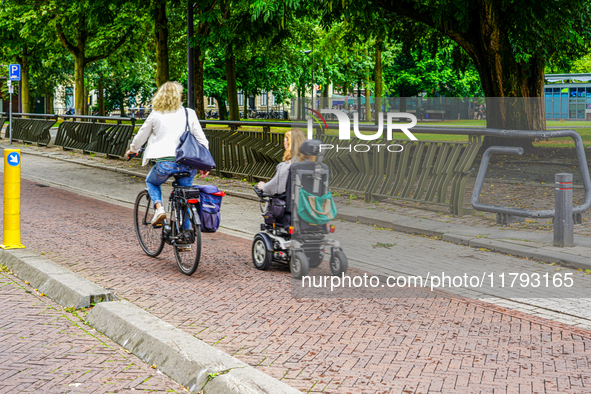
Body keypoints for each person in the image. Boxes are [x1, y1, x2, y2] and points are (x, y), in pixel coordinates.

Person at [126, 81, 209, 226]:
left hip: (165, 163)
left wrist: (133, 150)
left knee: (151, 181)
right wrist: (205, 164)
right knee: (186, 196)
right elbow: (202, 140)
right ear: (179, 96)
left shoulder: (156, 114)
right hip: (188, 164)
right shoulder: (189, 113)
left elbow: (141, 136)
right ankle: (186, 239)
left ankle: (159, 209)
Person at [256, 129, 309, 195]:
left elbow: (276, 187)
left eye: (285, 140)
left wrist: (263, 186)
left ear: (288, 143)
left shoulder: (287, 166)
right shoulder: (311, 163)